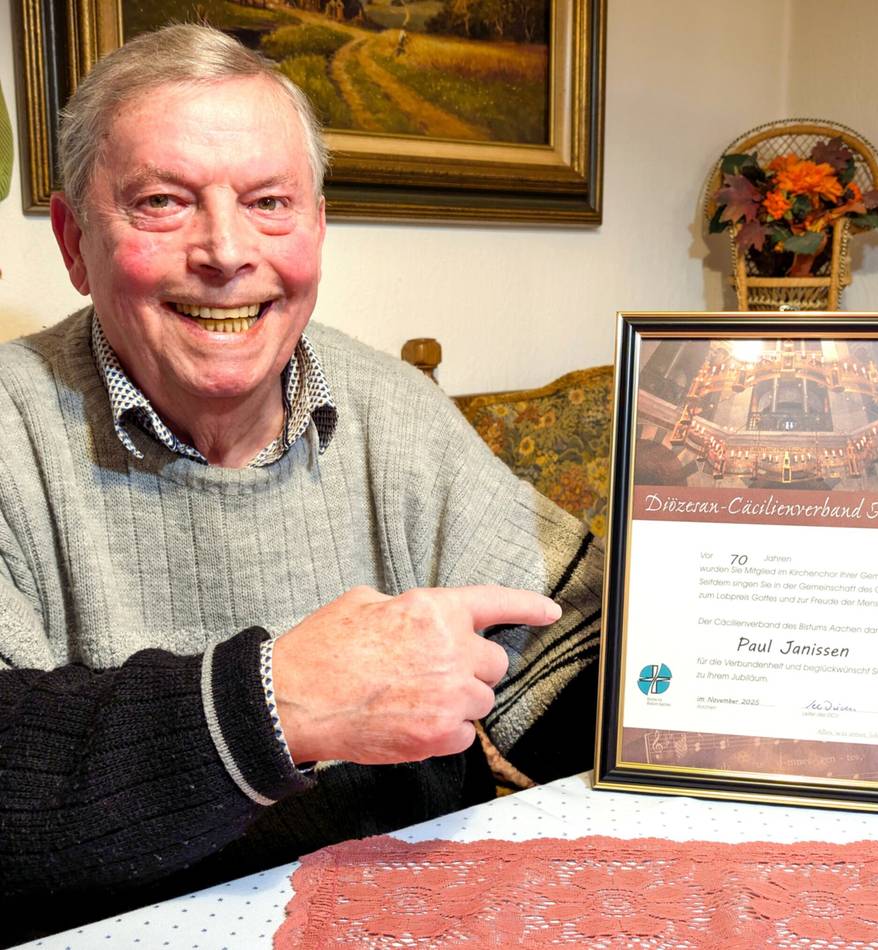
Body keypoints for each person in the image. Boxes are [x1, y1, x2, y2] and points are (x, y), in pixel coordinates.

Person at [0, 25, 602, 943]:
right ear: (75, 242)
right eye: (163, 202)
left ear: (316, 227)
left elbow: (569, 652)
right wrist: (272, 705)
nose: (227, 252)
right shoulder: (10, 432)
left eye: (269, 202)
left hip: (428, 918)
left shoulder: (389, 408)